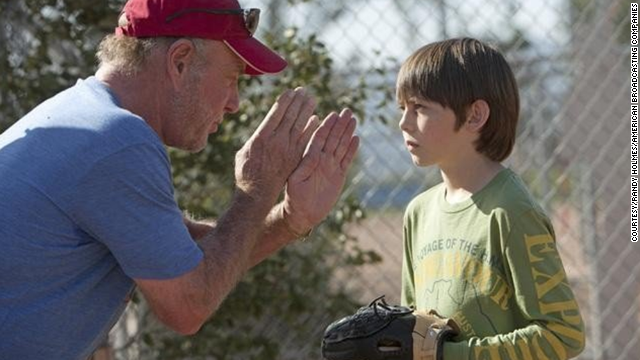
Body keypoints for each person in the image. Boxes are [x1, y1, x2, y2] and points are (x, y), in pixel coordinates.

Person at [0, 0, 359, 359]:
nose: (234, 102)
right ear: (180, 61)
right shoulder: (116, 140)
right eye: (232, 78)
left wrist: (291, 219)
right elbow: (188, 305)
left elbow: (188, 257)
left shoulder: (84, 117)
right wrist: (257, 189)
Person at [397, 38, 586, 359]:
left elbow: (563, 334)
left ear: (474, 116)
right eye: (403, 109)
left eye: (420, 108)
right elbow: (415, 329)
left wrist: (451, 355)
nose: (404, 123)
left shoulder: (511, 210)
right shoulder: (418, 213)